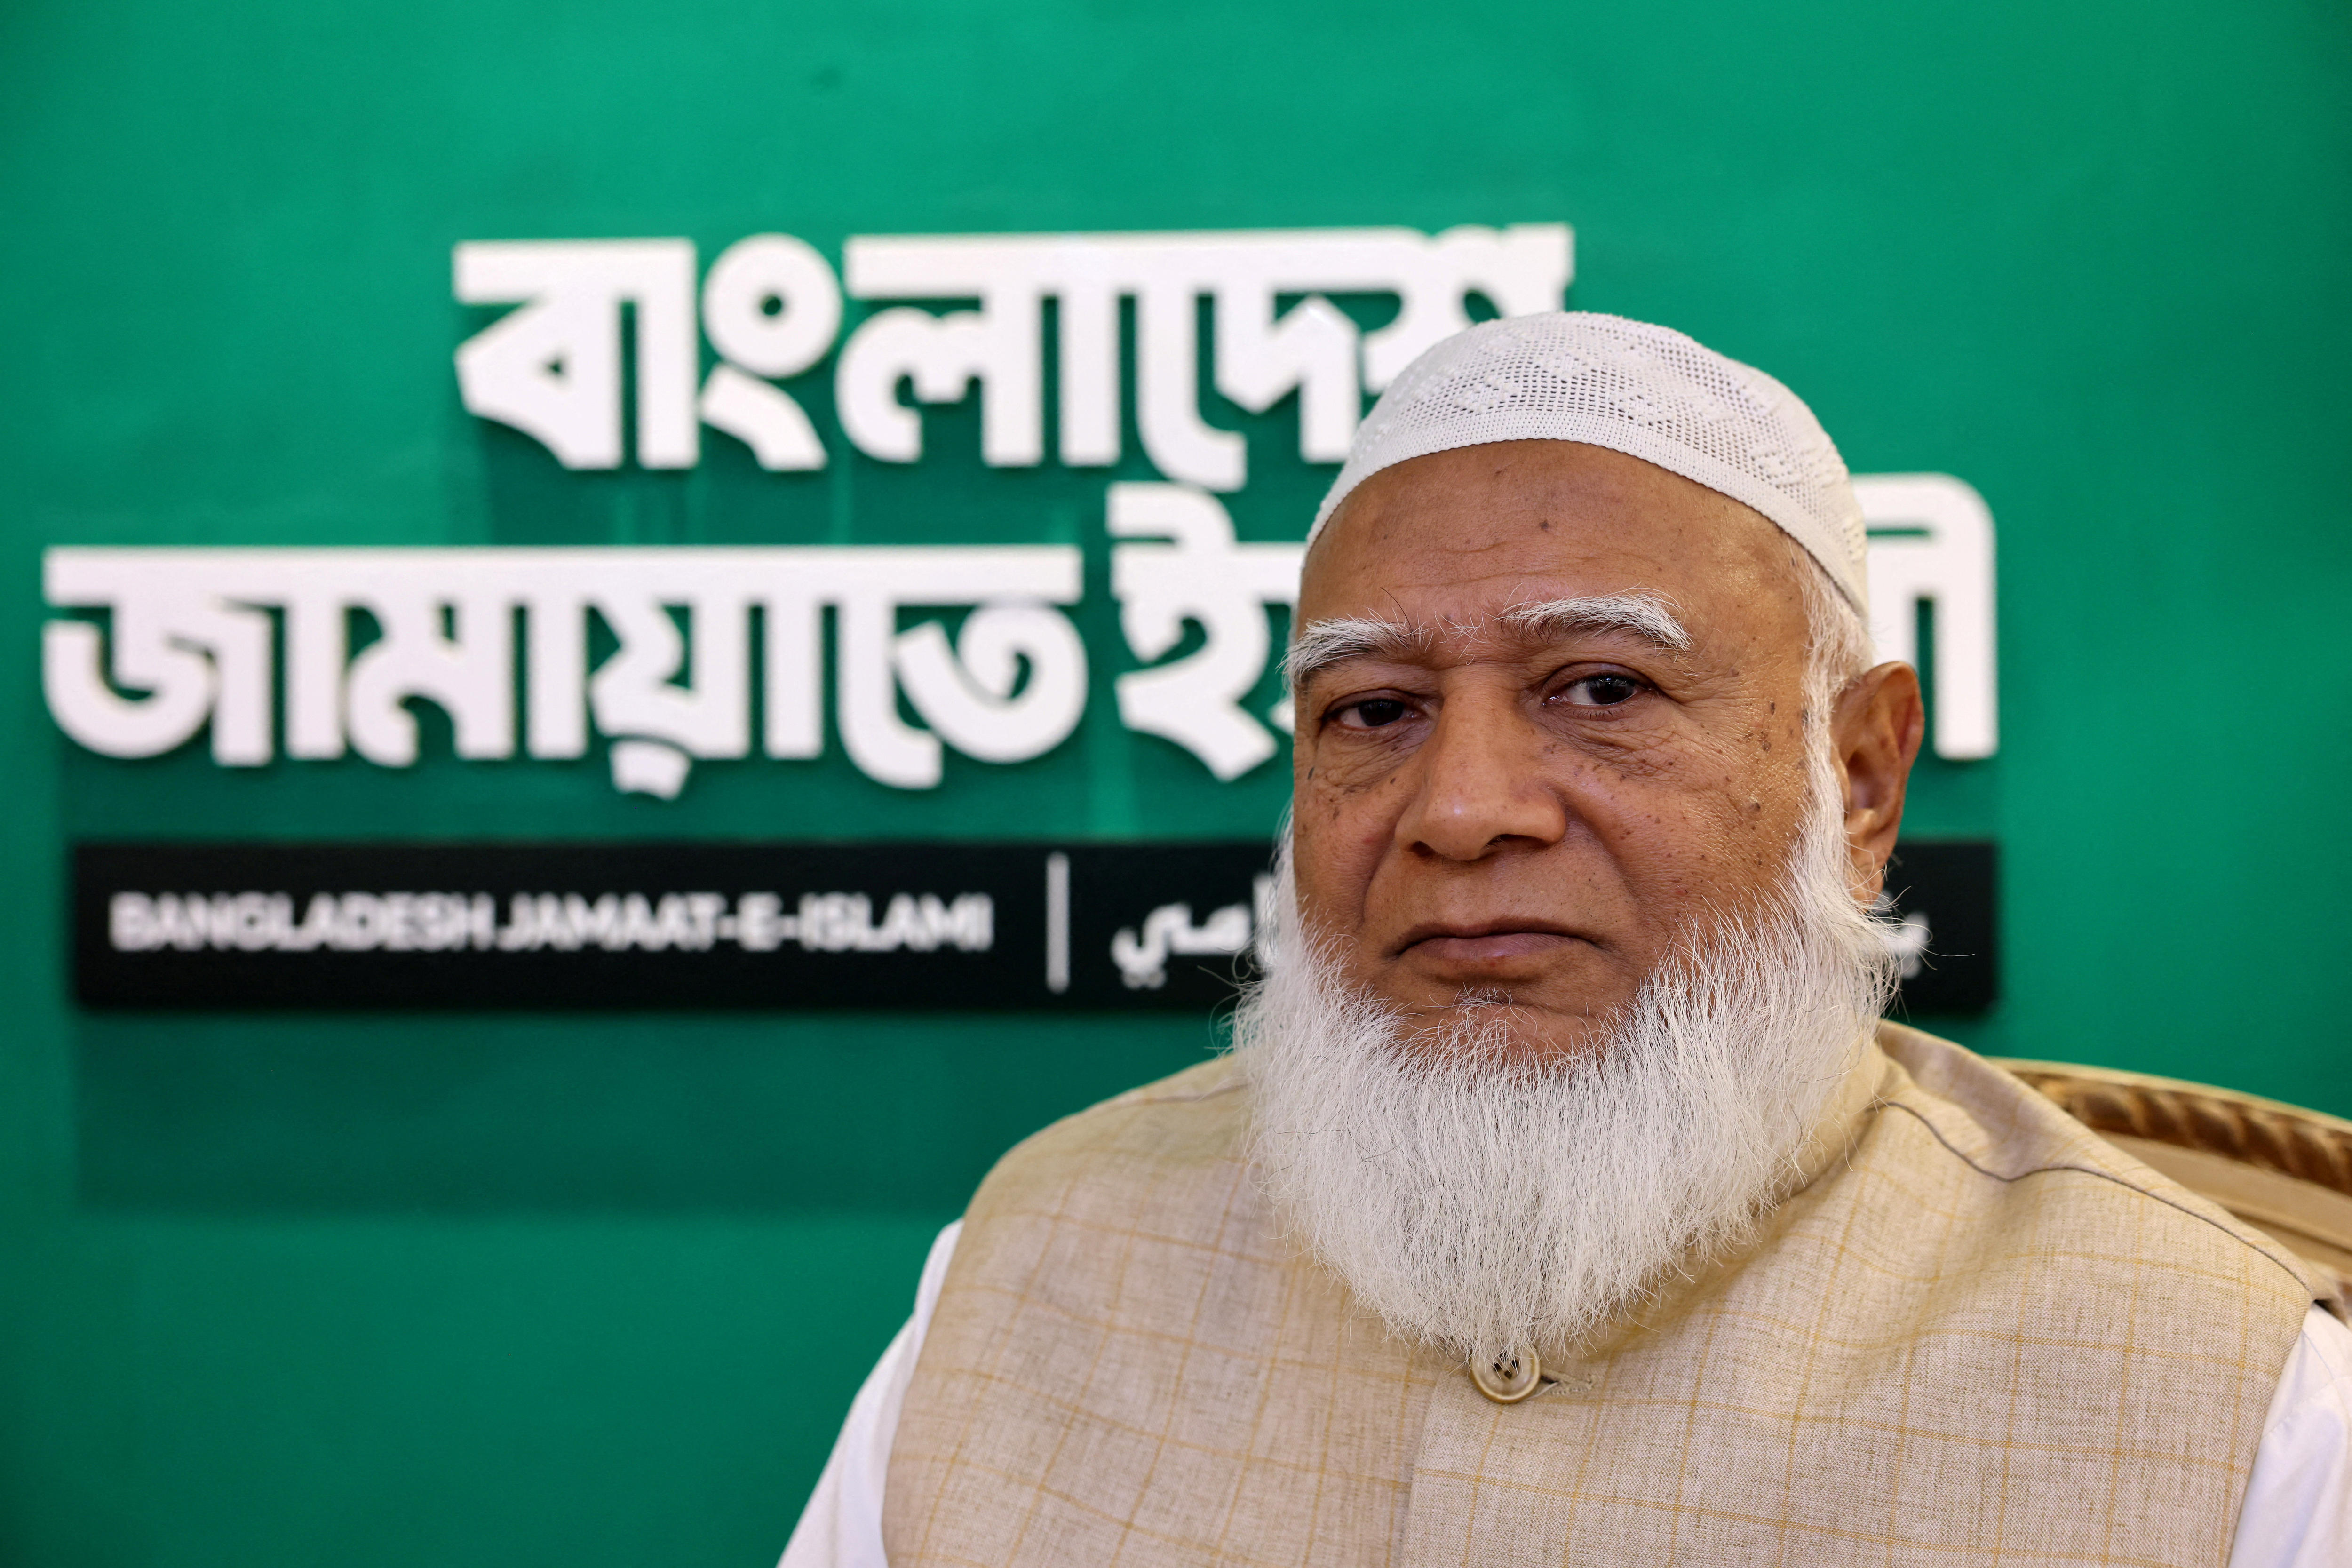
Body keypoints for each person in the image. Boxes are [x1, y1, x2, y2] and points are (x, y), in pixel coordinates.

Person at [782, 313, 2351, 1566]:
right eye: (1374, 711)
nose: (1459, 812)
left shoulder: (2222, 1386)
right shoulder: (1029, 1273)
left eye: (1603, 689)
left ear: (1859, 777)